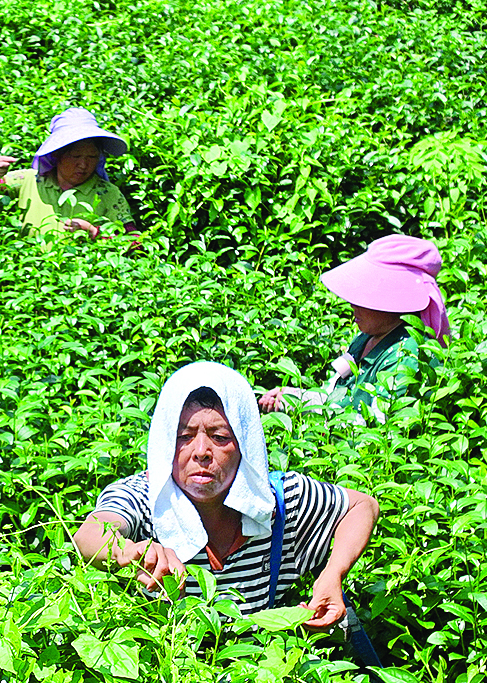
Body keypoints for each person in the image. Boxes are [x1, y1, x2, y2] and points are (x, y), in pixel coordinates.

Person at [75, 362, 379, 636]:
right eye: (184, 437)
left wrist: (332, 574)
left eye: (220, 437)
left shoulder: (277, 504)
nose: (201, 452)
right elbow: (89, 533)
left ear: (246, 443)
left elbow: (362, 506)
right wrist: (130, 552)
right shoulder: (146, 499)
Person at [260, 235, 450, 417]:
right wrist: (293, 397)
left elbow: (375, 422)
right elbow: (336, 393)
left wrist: (303, 406)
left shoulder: (408, 354)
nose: (352, 305)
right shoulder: (367, 337)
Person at [0, 108, 133, 239]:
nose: (83, 164)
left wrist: (94, 231)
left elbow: (134, 242)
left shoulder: (107, 193)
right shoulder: (26, 181)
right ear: (57, 154)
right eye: (76, 156)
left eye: (92, 157)